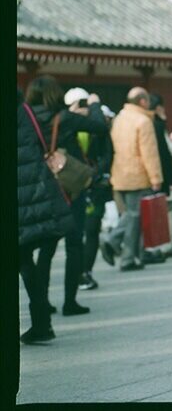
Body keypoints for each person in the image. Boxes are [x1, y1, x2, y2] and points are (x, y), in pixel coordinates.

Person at [25, 77, 107, 314]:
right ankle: (70, 301)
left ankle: (42, 302)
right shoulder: (64, 117)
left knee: (46, 248)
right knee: (74, 244)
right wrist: (93, 105)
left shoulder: (28, 119)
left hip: (41, 189)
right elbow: (100, 127)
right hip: (69, 187)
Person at [18, 89, 75, 344]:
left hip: (18, 196)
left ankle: (41, 323)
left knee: (21, 259)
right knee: (26, 260)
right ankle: (42, 322)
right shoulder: (25, 109)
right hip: (39, 193)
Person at [109, 87, 164, 271]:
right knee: (133, 217)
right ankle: (117, 245)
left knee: (130, 215)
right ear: (142, 101)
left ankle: (130, 256)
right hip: (137, 175)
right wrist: (155, 177)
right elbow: (149, 153)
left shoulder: (119, 118)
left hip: (120, 174)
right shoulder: (143, 121)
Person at [76, 99, 114, 290]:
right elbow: (108, 158)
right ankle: (84, 273)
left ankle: (77, 274)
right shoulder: (101, 132)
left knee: (78, 234)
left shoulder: (66, 123)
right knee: (91, 231)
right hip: (95, 186)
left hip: (72, 186)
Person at [149, 94, 172, 259]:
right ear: (158, 108)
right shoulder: (156, 125)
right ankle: (166, 246)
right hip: (158, 175)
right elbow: (164, 154)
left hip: (148, 175)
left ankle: (161, 246)